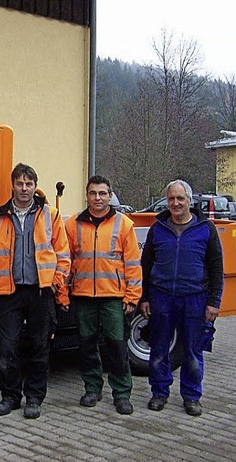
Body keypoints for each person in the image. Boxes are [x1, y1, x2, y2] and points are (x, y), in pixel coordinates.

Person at [0, 163, 70, 419]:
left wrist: (56, 282)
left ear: (34, 185)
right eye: (19, 183)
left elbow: (63, 254)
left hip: (41, 292)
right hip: (9, 292)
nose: (24, 188)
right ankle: (10, 397)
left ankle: (34, 399)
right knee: (7, 346)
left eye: (29, 184)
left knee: (40, 346)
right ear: (13, 185)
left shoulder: (49, 215)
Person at [140, 179, 223, 416]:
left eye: (180, 199)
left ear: (189, 200)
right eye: (171, 199)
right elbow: (146, 265)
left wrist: (214, 302)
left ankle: (191, 396)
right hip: (162, 296)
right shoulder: (158, 228)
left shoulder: (206, 229)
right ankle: (159, 392)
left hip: (195, 298)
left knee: (193, 351)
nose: (175, 203)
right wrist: (144, 297)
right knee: (158, 349)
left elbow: (217, 267)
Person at [65, 175, 142, 415]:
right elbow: (65, 262)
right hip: (83, 295)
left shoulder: (124, 225)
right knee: (87, 345)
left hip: (113, 297)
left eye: (102, 193)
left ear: (110, 195)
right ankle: (92, 388)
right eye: (93, 193)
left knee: (116, 347)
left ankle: (121, 393)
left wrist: (132, 297)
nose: (97, 198)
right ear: (86, 196)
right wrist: (63, 294)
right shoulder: (73, 224)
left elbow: (132, 264)